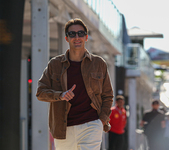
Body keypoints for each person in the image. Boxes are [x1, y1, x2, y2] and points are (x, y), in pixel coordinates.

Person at [36, 18, 114, 150]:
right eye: (72, 34)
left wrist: (101, 120)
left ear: (86, 37)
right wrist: (60, 95)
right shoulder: (54, 64)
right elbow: (40, 92)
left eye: (80, 33)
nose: (76, 37)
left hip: (91, 124)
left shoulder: (98, 63)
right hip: (63, 129)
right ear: (66, 38)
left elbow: (108, 95)